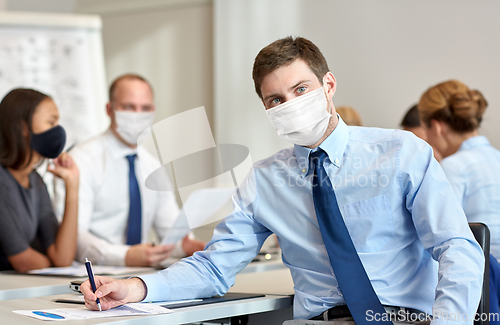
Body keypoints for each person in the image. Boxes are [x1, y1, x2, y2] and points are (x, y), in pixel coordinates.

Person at [82, 38, 484, 324]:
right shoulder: (264, 179)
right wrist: (136, 287)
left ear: (328, 86)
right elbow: (213, 267)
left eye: (301, 89)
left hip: (405, 320)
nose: (289, 105)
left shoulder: (401, 152)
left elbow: (456, 247)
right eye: (275, 100)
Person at [64, 74, 205, 267]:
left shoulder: (152, 166)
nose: (137, 115)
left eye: (145, 108)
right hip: (90, 276)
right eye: (129, 107)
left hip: (141, 275)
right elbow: (73, 235)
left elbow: (170, 231)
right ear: (109, 109)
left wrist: (189, 246)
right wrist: (125, 256)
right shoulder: (82, 160)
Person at [418, 80, 500, 322]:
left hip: (487, 284)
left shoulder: (453, 167)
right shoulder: (497, 158)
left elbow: (442, 235)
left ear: (436, 126)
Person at [0, 88, 79, 272]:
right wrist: (52, 266)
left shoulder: (35, 180)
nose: (58, 131)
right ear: (23, 127)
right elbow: (23, 260)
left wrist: (72, 186)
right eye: (51, 122)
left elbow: (62, 257)